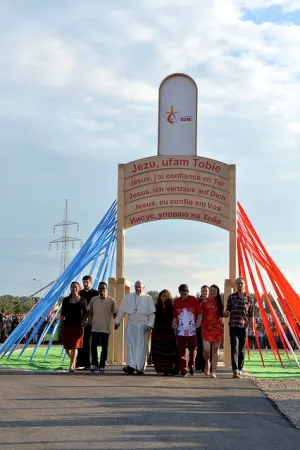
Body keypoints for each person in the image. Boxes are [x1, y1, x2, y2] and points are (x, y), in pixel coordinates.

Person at [114, 280, 156, 375]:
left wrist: (150, 325)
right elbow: (122, 312)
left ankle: (140, 368)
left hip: (143, 326)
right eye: (136, 287)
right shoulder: (129, 297)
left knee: (142, 347)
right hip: (131, 325)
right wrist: (117, 322)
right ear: (134, 287)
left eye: (140, 287)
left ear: (143, 288)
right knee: (130, 346)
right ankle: (131, 366)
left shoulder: (148, 298)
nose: (138, 289)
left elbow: (152, 314)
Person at [225, 277, 254, 379]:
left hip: (243, 326)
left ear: (245, 285)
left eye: (241, 283)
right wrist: (226, 313)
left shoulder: (249, 298)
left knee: (241, 350)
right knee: (234, 348)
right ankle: (235, 370)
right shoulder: (231, 297)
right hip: (233, 325)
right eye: (238, 283)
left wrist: (252, 328)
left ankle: (240, 369)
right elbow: (227, 310)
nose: (239, 285)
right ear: (236, 285)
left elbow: (251, 314)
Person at [59, 281, 88, 372]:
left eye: (75, 287)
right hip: (67, 326)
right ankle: (73, 358)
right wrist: (60, 325)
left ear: (79, 288)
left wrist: (84, 321)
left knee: (75, 346)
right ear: (70, 288)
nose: (74, 288)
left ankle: (71, 366)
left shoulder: (83, 300)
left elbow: (86, 313)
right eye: (72, 287)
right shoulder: (66, 300)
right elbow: (62, 314)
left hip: (78, 326)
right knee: (67, 347)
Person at [172, 284, 201, 377]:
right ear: (179, 292)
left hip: (191, 329)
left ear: (188, 291)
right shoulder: (176, 301)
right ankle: (183, 368)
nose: (184, 293)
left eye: (185, 291)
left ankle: (191, 366)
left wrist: (198, 322)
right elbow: (175, 316)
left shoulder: (194, 300)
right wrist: (174, 323)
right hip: (180, 329)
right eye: (181, 291)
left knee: (193, 349)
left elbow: (200, 313)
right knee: (181, 349)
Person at [89, 281, 118, 372]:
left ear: (106, 289)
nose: (101, 290)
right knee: (93, 346)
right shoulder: (94, 299)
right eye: (100, 288)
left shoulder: (111, 300)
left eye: (103, 288)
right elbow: (89, 311)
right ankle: (94, 364)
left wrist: (117, 322)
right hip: (95, 327)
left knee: (104, 348)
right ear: (98, 289)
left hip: (106, 328)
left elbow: (115, 313)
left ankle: (102, 365)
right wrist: (86, 321)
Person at [198, 285, 225, 378]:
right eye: (212, 290)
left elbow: (223, 314)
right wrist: (197, 324)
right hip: (206, 328)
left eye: (215, 291)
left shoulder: (220, 303)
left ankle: (213, 371)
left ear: (217, 292)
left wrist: (226, 314)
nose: (213, 292)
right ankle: (206, 363)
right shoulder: (204, 302)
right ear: (209, 291)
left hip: (217, 329)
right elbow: (200, 315)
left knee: (215, 350)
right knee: (206, 349)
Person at [151, 289, 177, 376]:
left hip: (168, 332)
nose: (164, 298)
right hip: (157, 331)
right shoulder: (156, 306)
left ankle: (168, 369)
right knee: (158, 351)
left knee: (168, 351)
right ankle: (159, 369)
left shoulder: (172, 307)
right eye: (162, 296)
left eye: (166, 296)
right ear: (160, 297)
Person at [76, 275, 99, 369]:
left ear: (91, 282)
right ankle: (79, 362)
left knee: (89, 342)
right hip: (80, 321)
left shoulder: (96, 293)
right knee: (80, 341)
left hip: (91, 321)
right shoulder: (79, 293)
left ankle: (88, 362)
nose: (85, 284)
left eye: (87, 282)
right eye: (84, 282)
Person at [195, 285, 209, 372]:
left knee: (207, 348)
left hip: (209, 327)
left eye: (206, 291)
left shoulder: (211, 301)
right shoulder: (197, 301)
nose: (204, 292)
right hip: (199, 327)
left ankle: (207, 365)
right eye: (203, 291)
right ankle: (199, 365)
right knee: (199, 346)